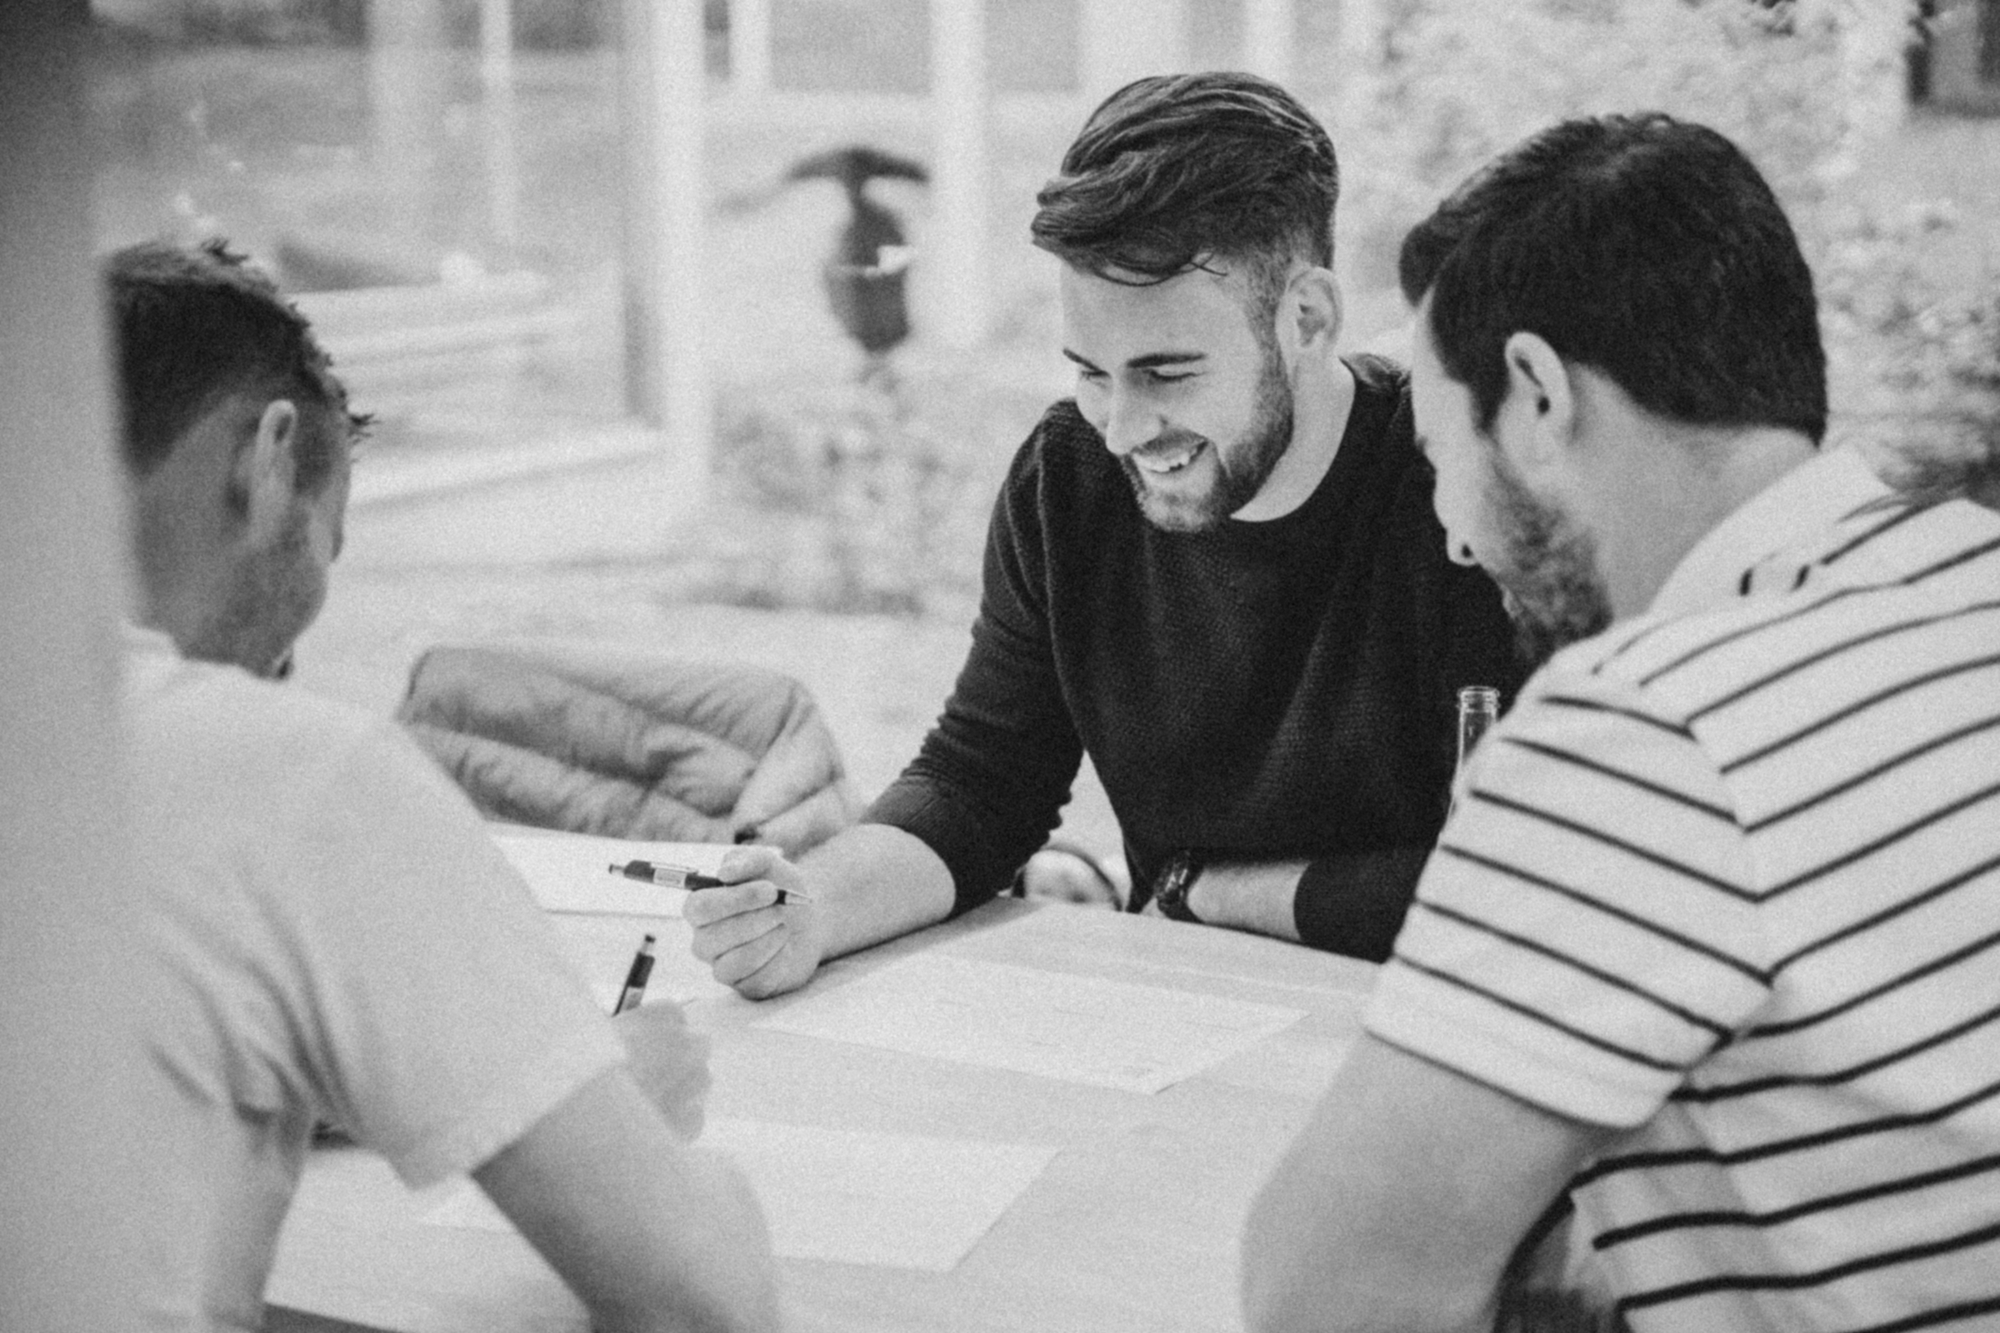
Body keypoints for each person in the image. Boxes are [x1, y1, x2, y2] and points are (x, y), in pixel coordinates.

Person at [1240, 111, 2000, 1332]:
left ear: (1536, 395)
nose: (1450, 530)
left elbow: (1324, 1296)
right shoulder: (1968, 586)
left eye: (1442, 453)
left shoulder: (1645, 732)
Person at [686, 71, 1524, 997]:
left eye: (1167, 373)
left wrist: (1216, 892)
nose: (1122, 428)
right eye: (1091, 371)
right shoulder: (1068, 475)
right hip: (1173, 1017)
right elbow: (979, 780)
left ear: (1308, 319)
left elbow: (1524, 887)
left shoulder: (1462, 493)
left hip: (1432, 1024)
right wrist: (813, 908)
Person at [107, 239, 780, 1333]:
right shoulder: (299, 777)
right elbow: (711, 1298)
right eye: (328, 542)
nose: (294, 651)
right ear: (269, 461)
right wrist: (626, 1119)